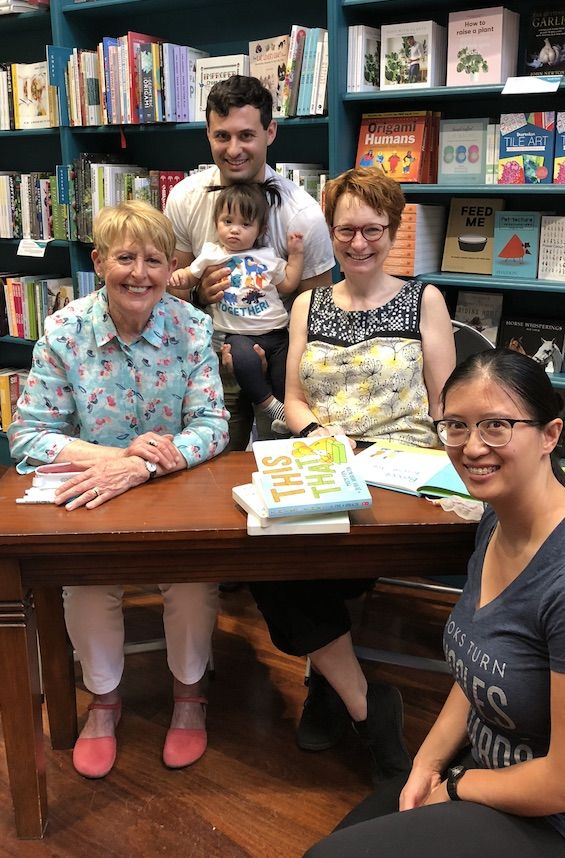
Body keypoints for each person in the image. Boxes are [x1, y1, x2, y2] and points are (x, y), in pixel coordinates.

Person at [305, 348, 565, 858]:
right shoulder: (494, 523)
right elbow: (478, 675)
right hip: (490, 776)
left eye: (496, 426)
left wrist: (454, 787)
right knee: (340, 843)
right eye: (456, 427)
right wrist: (425, 763)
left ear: (550, 436)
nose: (471, 447)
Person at [248, 167, 456, 783]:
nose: (359, 243)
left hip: (401, 465)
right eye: (346, 230)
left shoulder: (426, 300)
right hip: (326, 458)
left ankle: (330, 684)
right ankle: (365, 700)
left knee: (313, 562)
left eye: (373, 229)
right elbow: (294, 400)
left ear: (392, 231)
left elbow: (444, 403)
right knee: (260, 551)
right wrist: (317, 435)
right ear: (330, 233)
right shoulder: (308, 304)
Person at [8, 200, 229, 779]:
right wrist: (115, 459)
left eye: (153, 260)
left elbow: (213, 423)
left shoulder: (192, 326)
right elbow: (28, 436)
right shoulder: (64, 330)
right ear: (100, 261)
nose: (139, 273)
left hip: (171, 489)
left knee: (193, 578)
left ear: (170, 265)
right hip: (93, 492)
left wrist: (148, 466)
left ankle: (189, 696)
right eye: (124, 258)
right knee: (84, 583)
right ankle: (103, 703)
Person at [164, 73, 334, 451]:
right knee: (210, 469)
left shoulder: (301, 213)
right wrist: (199, 294)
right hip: (205, 364)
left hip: (279, 361)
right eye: (222, 135)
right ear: (208, 134)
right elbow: (172, 295)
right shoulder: (184, 197)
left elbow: (317, 312)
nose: (234, 148)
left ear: (270, 132)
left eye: (246, 135)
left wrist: (277, 360)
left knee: (281, 465)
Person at [169, 179, 305, 431]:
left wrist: (296, 255)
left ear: (260, 229)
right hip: (237, 335)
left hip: (276, 334)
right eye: (227, 221)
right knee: (242, 360)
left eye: (245, 224)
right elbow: (191, 274)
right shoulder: (212, 253)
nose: (234, 230)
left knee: (285, 376)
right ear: (216, 223)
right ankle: (270, 406)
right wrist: (180, 277)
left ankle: (286, 412)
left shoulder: (267, 256)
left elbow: (287, 285)